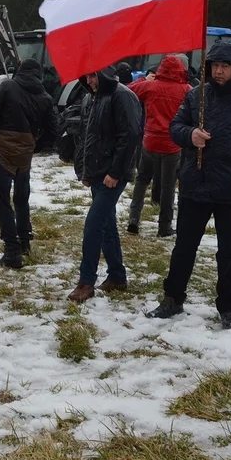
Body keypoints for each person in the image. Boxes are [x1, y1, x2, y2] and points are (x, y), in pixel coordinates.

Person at [146, 42, 231, 329]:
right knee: (184, 246)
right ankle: (172, 299)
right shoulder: (196, 96)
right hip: (194, 185)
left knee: (229, 250)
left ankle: (228, 306)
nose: (219, 70)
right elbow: (175, 127)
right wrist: (190, 135)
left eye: (225, 65)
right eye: (214, 65)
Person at [68, 65, 141, 303]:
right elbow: (86, 136)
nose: (89, 80)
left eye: (93, 75)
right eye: (86, 75)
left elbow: (130, 136)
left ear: (104, 73)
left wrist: (115, 172)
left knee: (94, 225)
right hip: (97, 173)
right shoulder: (90, 98)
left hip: (113, 174)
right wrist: (85, 171)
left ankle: (86, 282)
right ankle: (117, 276)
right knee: (107, 225)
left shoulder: (123, 95)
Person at [0, 58, 58, 268]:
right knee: (22, 198)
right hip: (25, 153)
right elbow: (54, 131)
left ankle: (12, 251)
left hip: (2, 150)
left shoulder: (8, 86)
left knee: (2, 200)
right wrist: (35, 145)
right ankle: (24, 241)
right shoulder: (45, 97)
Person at [126, 54, 191, 237]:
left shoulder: (150, 86)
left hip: (150, 142)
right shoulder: (186, 89)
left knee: (142, 180)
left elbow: (128, 91)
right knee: (168, 186)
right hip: (172, 145)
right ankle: (164, 227)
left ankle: (133, 218)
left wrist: (143, 79)